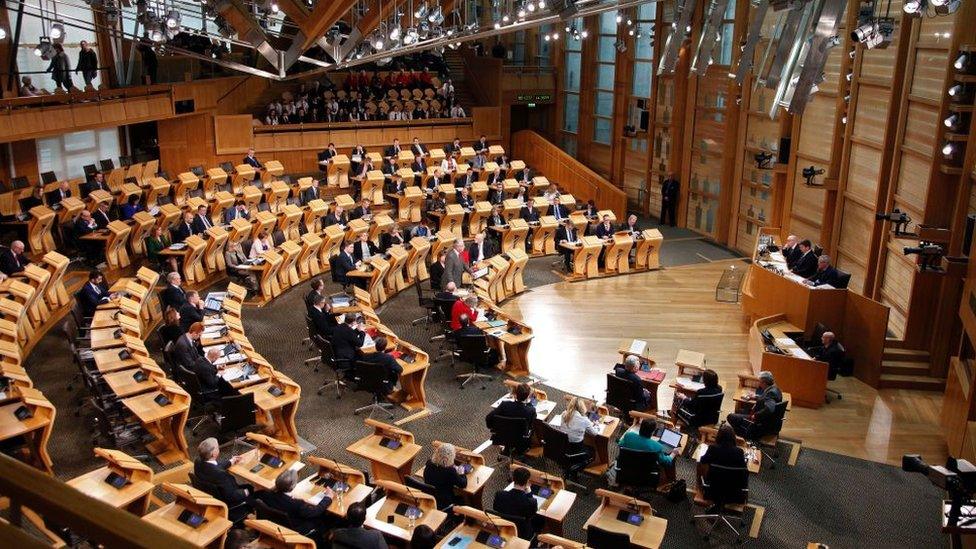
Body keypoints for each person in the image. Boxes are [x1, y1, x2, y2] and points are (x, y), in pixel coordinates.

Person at [255, 469, 333, 540]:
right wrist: (328, 497)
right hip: (297, 529)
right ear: (292, 486)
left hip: (278, 526)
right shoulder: (297, 504)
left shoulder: (266, 494)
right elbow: (316, 511)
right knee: (325, 516)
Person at [193, 438, 252, 522]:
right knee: (252, 488)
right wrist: (247, 491)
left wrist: (231, 461)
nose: (219, 448)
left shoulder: (198, 461)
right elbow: (232, 496)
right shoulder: (220, 475)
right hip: (228, 502)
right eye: (217, 447)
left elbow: (215, 466)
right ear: (213, 454)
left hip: (210, 495)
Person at [617, 418, 678, 483]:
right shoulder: (657, 446)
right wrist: (673, 453)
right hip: (645, 473)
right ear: (653, 432)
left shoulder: (629, 435)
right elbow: (667, 461)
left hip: (626, 469)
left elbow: (620, 444)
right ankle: (670, 481)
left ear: (640, 427)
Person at [727, 371, 783, 439]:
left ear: (764, 383)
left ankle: (747, 435)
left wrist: (756, 415)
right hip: (768, 420)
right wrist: (755, 397)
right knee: (740, 411)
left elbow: (770, 408)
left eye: (760, 382)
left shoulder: (771, 393)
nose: (759, 384)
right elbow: (766, 398)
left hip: (760, 422)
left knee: (730, 416)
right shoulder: (775, 388)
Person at [491, 466, 541, 540]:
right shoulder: (531, 502)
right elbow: (532, 514)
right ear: (527, 482)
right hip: (522, 532)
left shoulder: (500, 494)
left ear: (513, 479)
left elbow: (495, 508)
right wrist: (529, 493)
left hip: (504, 526)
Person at [422, 442, 468, 509]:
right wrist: (461, 473)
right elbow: (463, 484)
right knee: (463, 499)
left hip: (431, 498)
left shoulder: (429, 463)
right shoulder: (450, 471)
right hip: (445, 502)